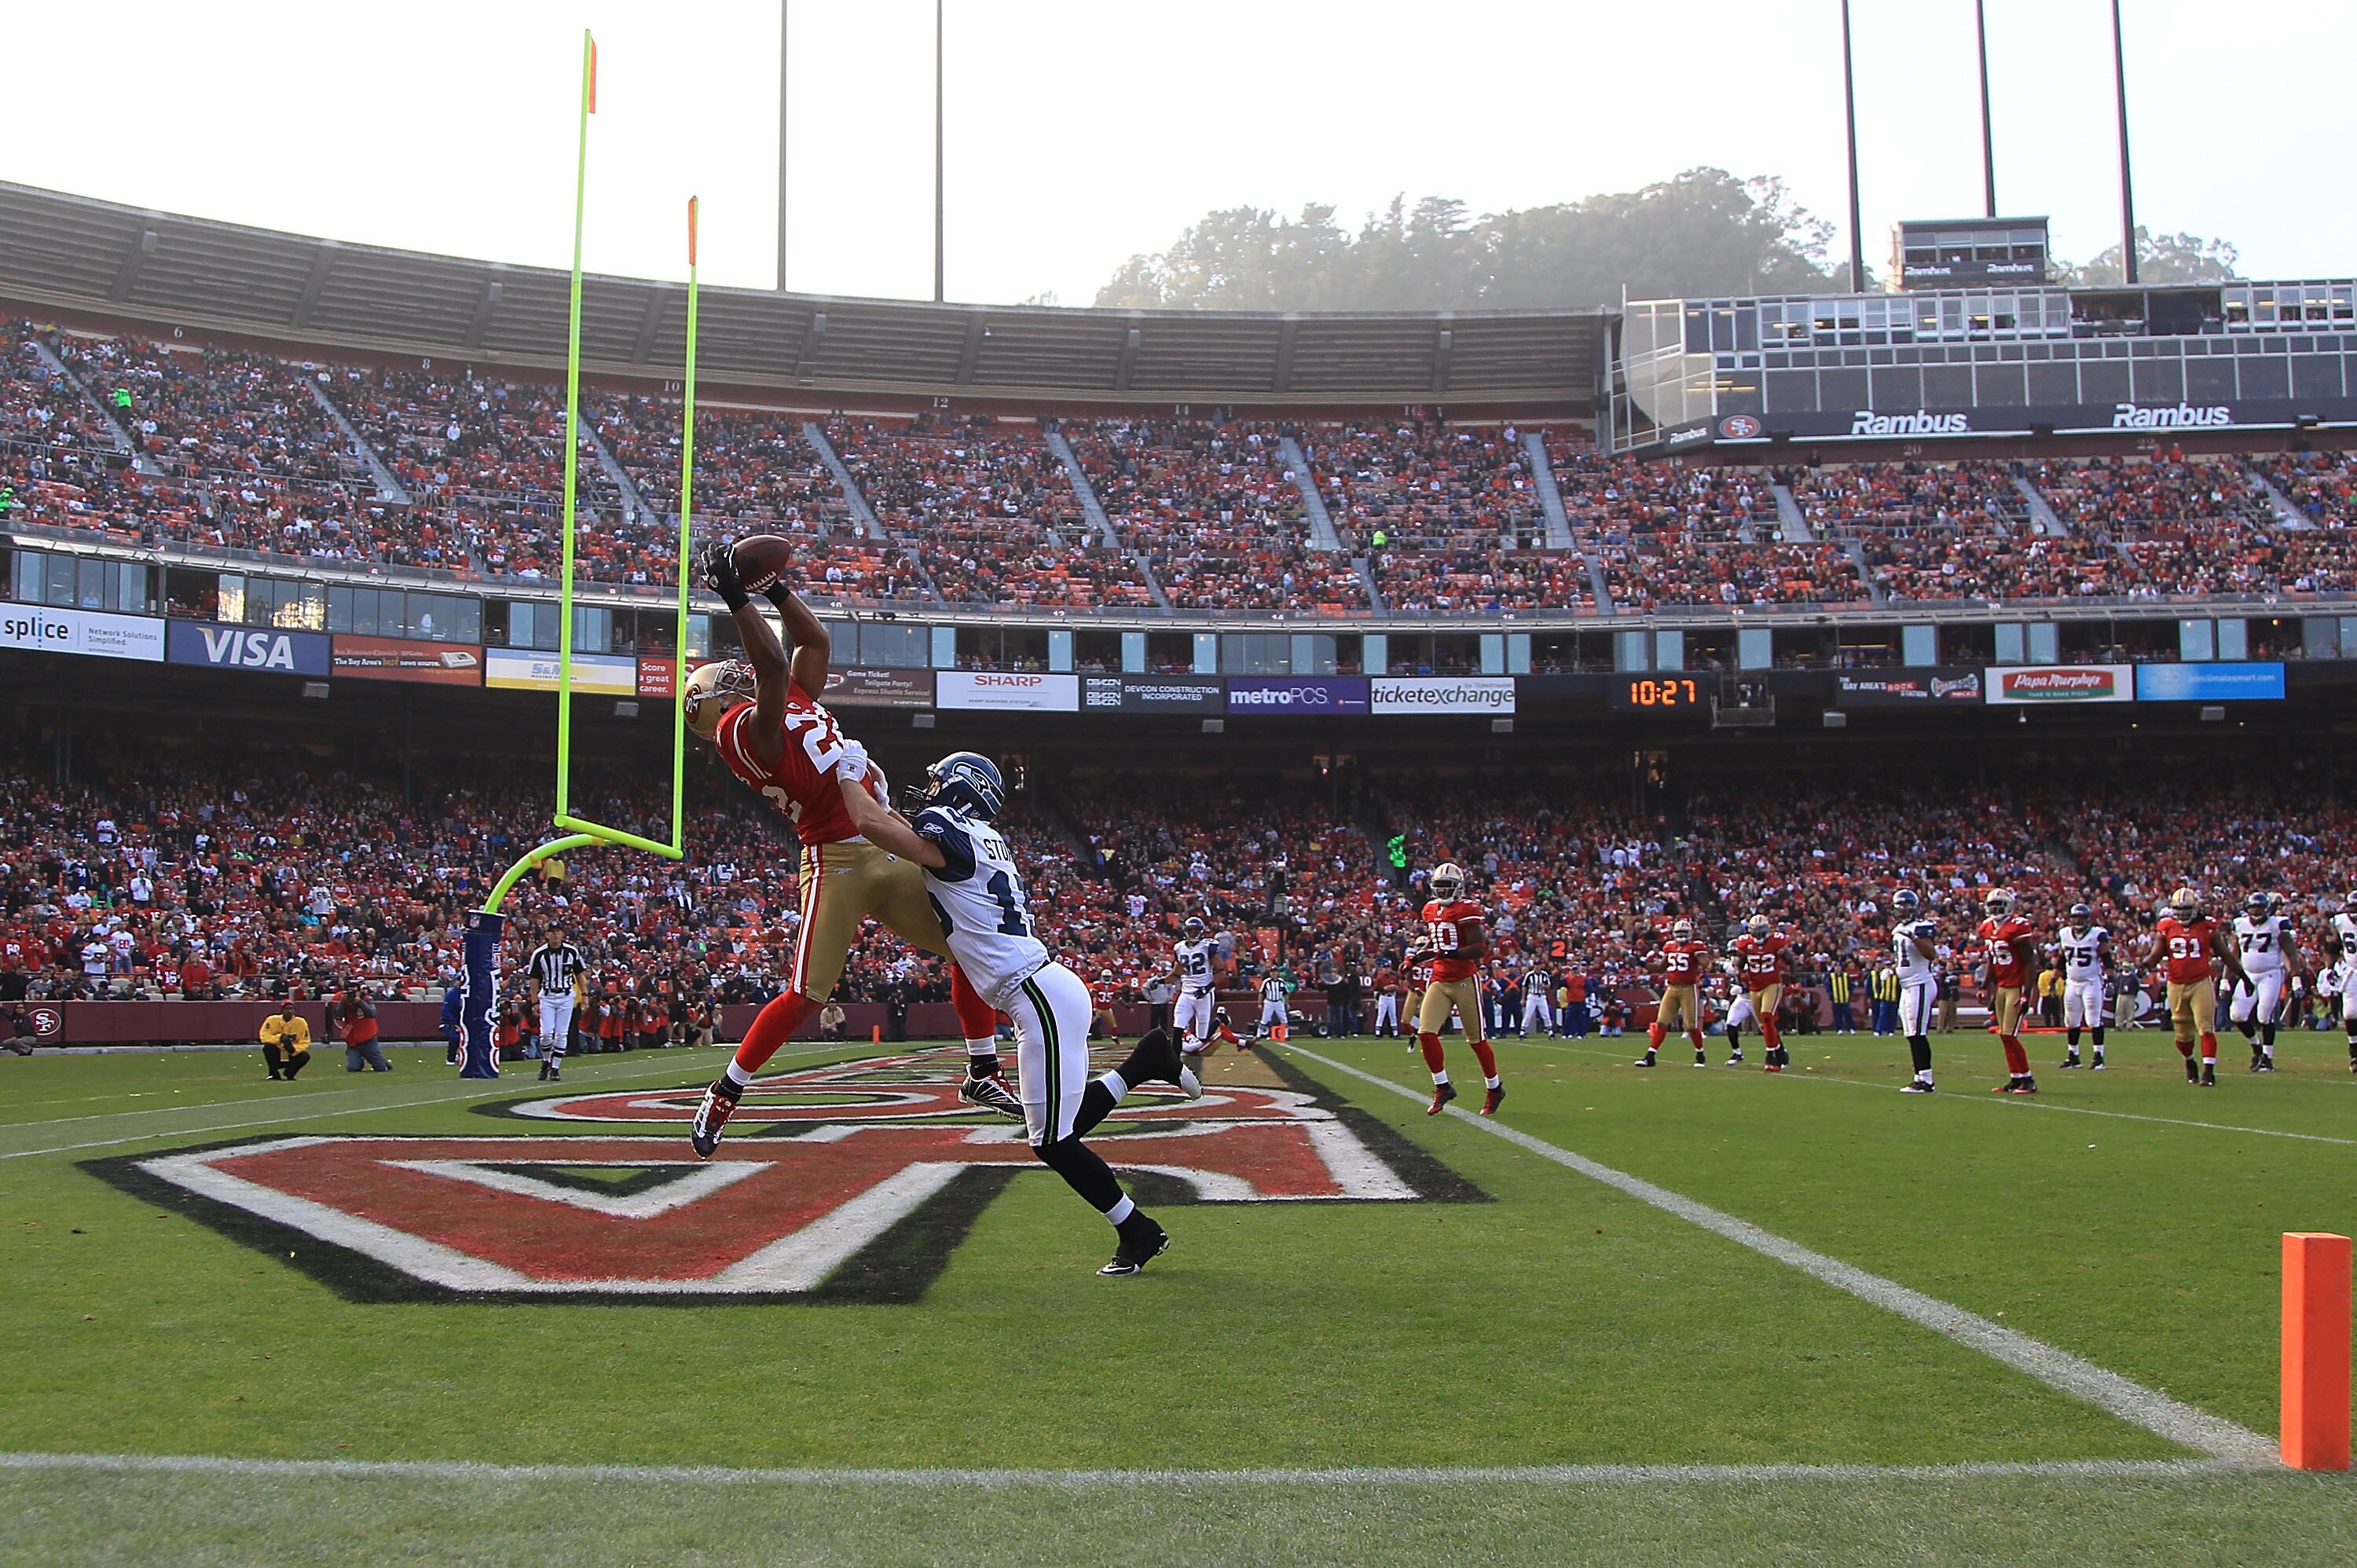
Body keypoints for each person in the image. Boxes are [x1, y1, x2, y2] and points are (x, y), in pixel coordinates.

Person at [684, 541, 1009, 1155]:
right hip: (836, 861)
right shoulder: (738, 733)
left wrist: (775, 587)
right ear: (717, 705)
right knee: (805, 995)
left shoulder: (781, 697)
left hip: (884, 839)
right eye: (725, 682)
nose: (734, 675)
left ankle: (983, 1071)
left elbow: (815, 644)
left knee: (972, 943)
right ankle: (725, 1092)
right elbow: (775, 668)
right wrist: (733, 596)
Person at [836, 749, 1200, 1276]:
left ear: (960, 788)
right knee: (1062, 1125)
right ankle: (1145, 1064)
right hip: (1046, 989)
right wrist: (881, 800)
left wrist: (848, 775)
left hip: (1035, 996)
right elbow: (898, 829)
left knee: (1051, 1140)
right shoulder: (975, 835)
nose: (931, 790)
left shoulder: (950, 829)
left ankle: (1136, 1229)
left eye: (938, 782)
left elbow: (870, 824)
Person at [1410, 862, 1502, 1117]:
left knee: (1476, 1040)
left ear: (1458, 888)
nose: (1442, 891)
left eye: (1447, 886)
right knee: (1426, 1033)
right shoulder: (1429, 909)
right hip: (1439, 979)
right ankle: (1442, 1086)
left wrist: (1449, 952)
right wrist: (1416, 958)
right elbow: (1436, 942)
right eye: (1439, 886)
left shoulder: (1466, 909)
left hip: (1464, 980)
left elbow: (1479, 948)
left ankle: (1494, 1088)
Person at [2142, 887, 2245, 1087]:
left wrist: (2243, 976)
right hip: (2176, 984)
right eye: (2178, 909)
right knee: (2182, 1034)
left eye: (2186, 908)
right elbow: (2155, 955)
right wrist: (2144, 965)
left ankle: (2208, 1071)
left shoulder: (2207, 927)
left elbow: (2226, 955)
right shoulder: (2167, 927)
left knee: (2206, 1027)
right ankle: (2190, 1061)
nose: (2181, 913)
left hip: (2200, 982)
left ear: (2195, 908)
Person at [2227, 892, 2301, 1073]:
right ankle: (2256, 1046)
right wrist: (2224, 979)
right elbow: (2233, 954)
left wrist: (2296, 978)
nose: (2256, 911)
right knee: (2237, 1015)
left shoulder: (2277, 925)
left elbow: (2292, 953)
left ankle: (2267, 1057)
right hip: (2248, 975)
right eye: (2253, 907)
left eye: (2259, 907)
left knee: (2264, 1015)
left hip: (2270, 973)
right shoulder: (2240, 925)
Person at [1975, 888, 2039, 1095]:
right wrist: (1986, 985)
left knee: (2010, 1035)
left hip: (2016, 986)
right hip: (2002, 986)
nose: (1995, 910)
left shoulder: (2017, 926)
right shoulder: (1987, 927)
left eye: (1999, 906)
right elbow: (1993, 960)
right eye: (1992, 906)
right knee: (2004, 1036)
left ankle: (2028, 1080)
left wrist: (2026, 993)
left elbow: (2030, 961)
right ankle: (2016, 1078)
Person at [1636, 918, 1710, 1068]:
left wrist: (1701, 960)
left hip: (1688, 989)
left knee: (1691, 1026)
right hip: (1672, 988)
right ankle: (1650, 1056)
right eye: (1679, 933)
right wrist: (1642, 963)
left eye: (1684, 933)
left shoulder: (1696, 946)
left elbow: (1706, 963)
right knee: (1662, 1022)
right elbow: (1659, 968)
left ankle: (1700, 1054)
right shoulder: (1669, 946)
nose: (1681, 936)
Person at [1731, 912, 1795, 1072]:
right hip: (1754, 987)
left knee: (1767, 1017)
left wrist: (1792, 977)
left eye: (1761, 930)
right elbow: (1739, 964)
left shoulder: (1776, 941)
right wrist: (1739, 973)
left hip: (1772, 984)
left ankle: (1770, 1056)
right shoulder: (1745, 944)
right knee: (1764, 1025)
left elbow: (1790, 960)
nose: (1759, 934)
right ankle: (1781, 1053)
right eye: (1756, 930)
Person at [1893, 891, 1941, 1093]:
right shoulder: (1897, 929)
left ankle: (1927, 1080)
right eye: (1900, 906)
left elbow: (1931, 954)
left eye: (1907, 906)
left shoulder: (1922, 927)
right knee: (1910, 1033)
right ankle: (1919, 1076)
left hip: (1920, 983)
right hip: (1907, 985)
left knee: (1918, 1032)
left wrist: (1913, 937)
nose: (1903, 910)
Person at [525, 924, 585, 1083]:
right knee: (545, 1033)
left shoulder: (571, 952)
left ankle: (555, 1068)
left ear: (562, 934)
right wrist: (534, 1001)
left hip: (566, 995)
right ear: (547, 935)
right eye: (552, 933)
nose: (555, 935)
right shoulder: (539, 954)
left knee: (561, 1034)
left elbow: (580, 973)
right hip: (548, 995)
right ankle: (546, 1061)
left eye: (558, 932)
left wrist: (585, 994)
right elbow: (534, 979)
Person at [2056, 903, 2113, 1070]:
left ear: (2088, 919)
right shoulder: (2065, 934)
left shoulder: (2097, 934)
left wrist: (2110, 979)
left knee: (2093, 1019)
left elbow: (2107, 959)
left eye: (2081, 917)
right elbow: (2061, 958)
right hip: (2072, 982)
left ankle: (2098, 1056)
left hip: (2091, 981)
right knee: (2071, 1020)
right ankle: (2073, 1055)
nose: (2078, 921)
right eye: (2075, 918)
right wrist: (2055, 978)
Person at [332, 987, 388, 1073]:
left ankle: (382, 1062)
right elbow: (339, 1015)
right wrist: (342, 1002)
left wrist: (360, 1002)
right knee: (353, 1068)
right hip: (352, 1039)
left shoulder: (367, 999)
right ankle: (359, 1060)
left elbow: (372, 1013)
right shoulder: (344, 1002)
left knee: (380, 1067)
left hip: (367, 1037)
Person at [259, 1002, 312, 1080]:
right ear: (282, 1010)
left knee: (305, 1056)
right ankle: (274, 1074)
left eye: (292, 1009)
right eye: (287, 1009)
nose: (289, 1011)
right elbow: (264, 1036)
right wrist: (280, 1038)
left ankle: (290, 1074)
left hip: (291, 1054)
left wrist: (294, 1049)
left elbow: (305, 1041)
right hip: (276, 1053)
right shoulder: (271, 1020)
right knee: (268, 1048)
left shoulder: (301, 1022)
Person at [1519, 962, 1556, 1040]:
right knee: (1528, 1014)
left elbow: (1548, 986)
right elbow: (1524, 986)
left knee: (1545, 1014)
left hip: (1541, 996)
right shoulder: (1529, 975)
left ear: (1541, 966)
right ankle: (1522, 1032)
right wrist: (1523, 998)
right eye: (1536, 966)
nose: (1537, 967)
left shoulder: (1544, 974)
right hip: (1532, 996)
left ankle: (1550, 1032)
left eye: (1538, 966)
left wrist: (1544, 986)